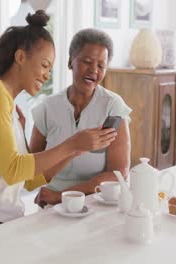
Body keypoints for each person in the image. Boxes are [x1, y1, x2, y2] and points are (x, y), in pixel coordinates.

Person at [0, 11, 117, 239]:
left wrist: (77, 150)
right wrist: (70, 145)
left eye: (50, 69)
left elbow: (30, 181)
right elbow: (13, 171)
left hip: (2, 218)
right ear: (20, 57)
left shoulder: (10, 108)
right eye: (44, 65)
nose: (47, 75)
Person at [30, 28, 132, 208]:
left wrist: (62, 196)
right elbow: (32, 167)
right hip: (51, 203)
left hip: (96, 201)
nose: (94, 70)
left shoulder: (113, 106)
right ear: (70, 62)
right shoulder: (48, 107)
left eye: (101, 65)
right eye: (87, 61)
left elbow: (119, 172)